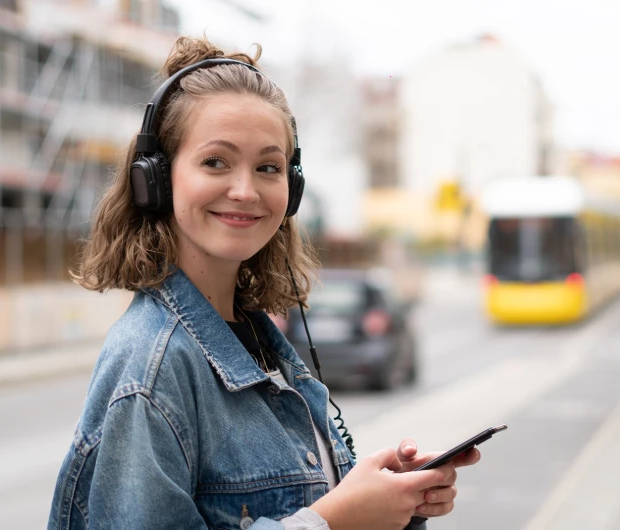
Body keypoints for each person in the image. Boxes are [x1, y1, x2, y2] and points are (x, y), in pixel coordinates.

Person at [47, 36, 480, 530]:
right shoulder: (152, 365)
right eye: (216, 162)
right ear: (157, 179)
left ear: (291, 190)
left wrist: (388, 505)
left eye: (268, 167)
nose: (245, 190)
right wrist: (333, 522)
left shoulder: (258, 341)